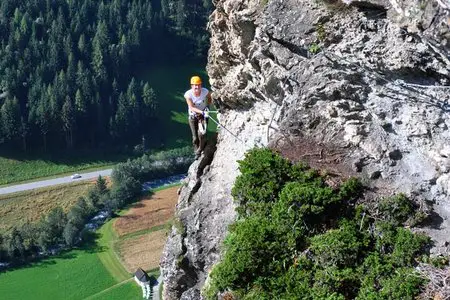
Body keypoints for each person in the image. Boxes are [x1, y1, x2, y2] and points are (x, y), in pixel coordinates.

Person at [184, 75, 212, 158]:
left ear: (201, 85)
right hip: (193, 116)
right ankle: (196, 150)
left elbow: (209, 97)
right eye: (195, 85)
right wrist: (202, 112)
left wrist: (207, 106)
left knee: (202, 134)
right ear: (191, 86)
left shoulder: (205, 91)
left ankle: (200, 150)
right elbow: (191, 107)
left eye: (198, 85)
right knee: (195, 137)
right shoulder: (188, 95)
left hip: (203, 116)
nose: (197, 87)